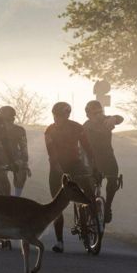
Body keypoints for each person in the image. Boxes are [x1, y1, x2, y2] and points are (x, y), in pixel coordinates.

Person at [45, 101, 97, 253]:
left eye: (60, 116)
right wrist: (58, 168)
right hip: (57, 166)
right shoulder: (49, 130)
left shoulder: (76, 127)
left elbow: (87, 147)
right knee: (56, 205)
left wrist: (93, 165)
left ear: (67, 115)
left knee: (87, 189)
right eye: (55, 116)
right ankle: (59, 241)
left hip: (75, 163)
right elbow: (51, 153)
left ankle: (93, 218)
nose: (57, 119)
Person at [83, 100, 124, 223]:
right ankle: (90, 206)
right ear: (88, 115)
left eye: (100, 112)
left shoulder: (105, 120)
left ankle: (108, 207)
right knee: (90, 182)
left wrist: (113, 118)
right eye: (95, 113)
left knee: (113, 179)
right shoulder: (86, 126)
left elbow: (120, 118)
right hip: (92, 159)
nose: (98, 115)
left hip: (107, 156)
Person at [0, 105, 31, 197]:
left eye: (10, 119)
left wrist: (23, 161)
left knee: (22, 171)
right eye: (6, 119)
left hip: (15, 158)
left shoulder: (19, 130)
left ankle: (17, 197)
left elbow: (24, 148)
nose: (9, 121)